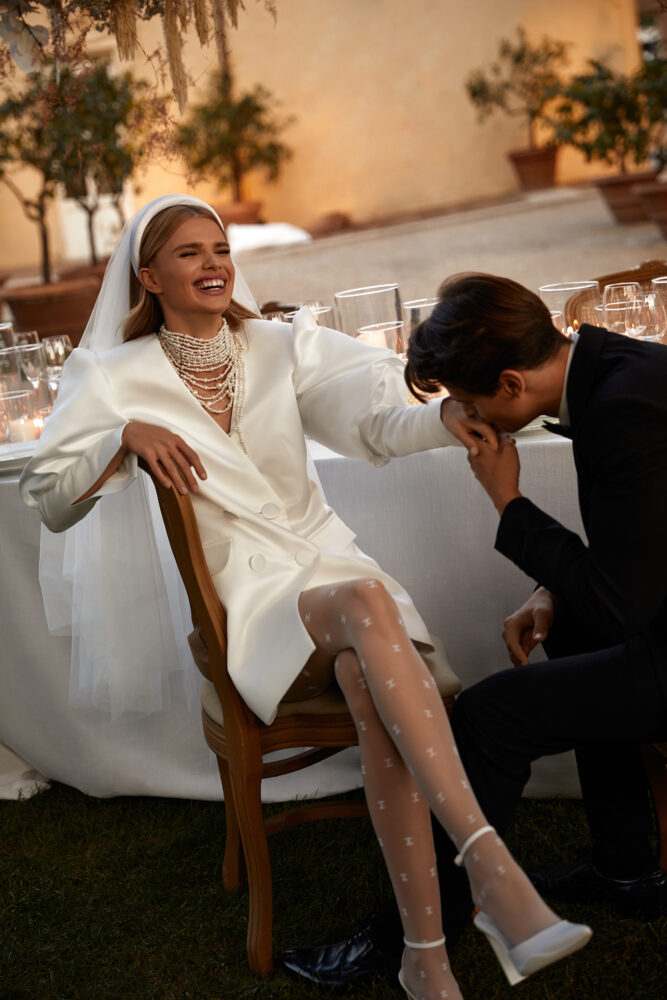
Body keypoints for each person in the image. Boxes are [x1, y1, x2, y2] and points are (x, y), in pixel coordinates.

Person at [21, 208, 590, 1000]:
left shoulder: (279, 345)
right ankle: (490, 867)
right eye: (189, 254)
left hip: (330, 580)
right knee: (367, 602)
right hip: (247, 609)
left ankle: (424, 959)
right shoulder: (112, 375)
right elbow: (48, 495)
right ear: (149, 277)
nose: (214, 264)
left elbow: (375, 425)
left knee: (368, 674)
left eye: (220, 249)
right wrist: (122, 435)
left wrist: (446, 417)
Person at [281, 270, 667, 991]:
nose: (466, 419)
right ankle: (624, 870)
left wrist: (505, 498)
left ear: (512, 384)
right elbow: (645, 542)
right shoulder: (617, 368)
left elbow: (622, 608)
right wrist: (553, 588)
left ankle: (412, 937)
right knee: (572, 629)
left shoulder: (622, 410)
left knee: (490, 716)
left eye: (470, 402)